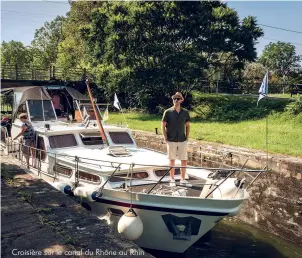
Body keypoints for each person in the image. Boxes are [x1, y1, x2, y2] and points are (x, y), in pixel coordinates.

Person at [162, 92, 191, 187]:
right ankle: (172, 179)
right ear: (172, 100)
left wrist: (187, 137)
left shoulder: (185, 112)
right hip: (171, 139)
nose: (176, 100)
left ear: (181, 100)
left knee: (184, 159)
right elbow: (163, 126)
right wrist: (165, 138)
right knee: (172, 160)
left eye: (178, 99)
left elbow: (187, 126)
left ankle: (182, 179)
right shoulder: (168, 112)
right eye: (174, 99)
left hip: (182, 139)